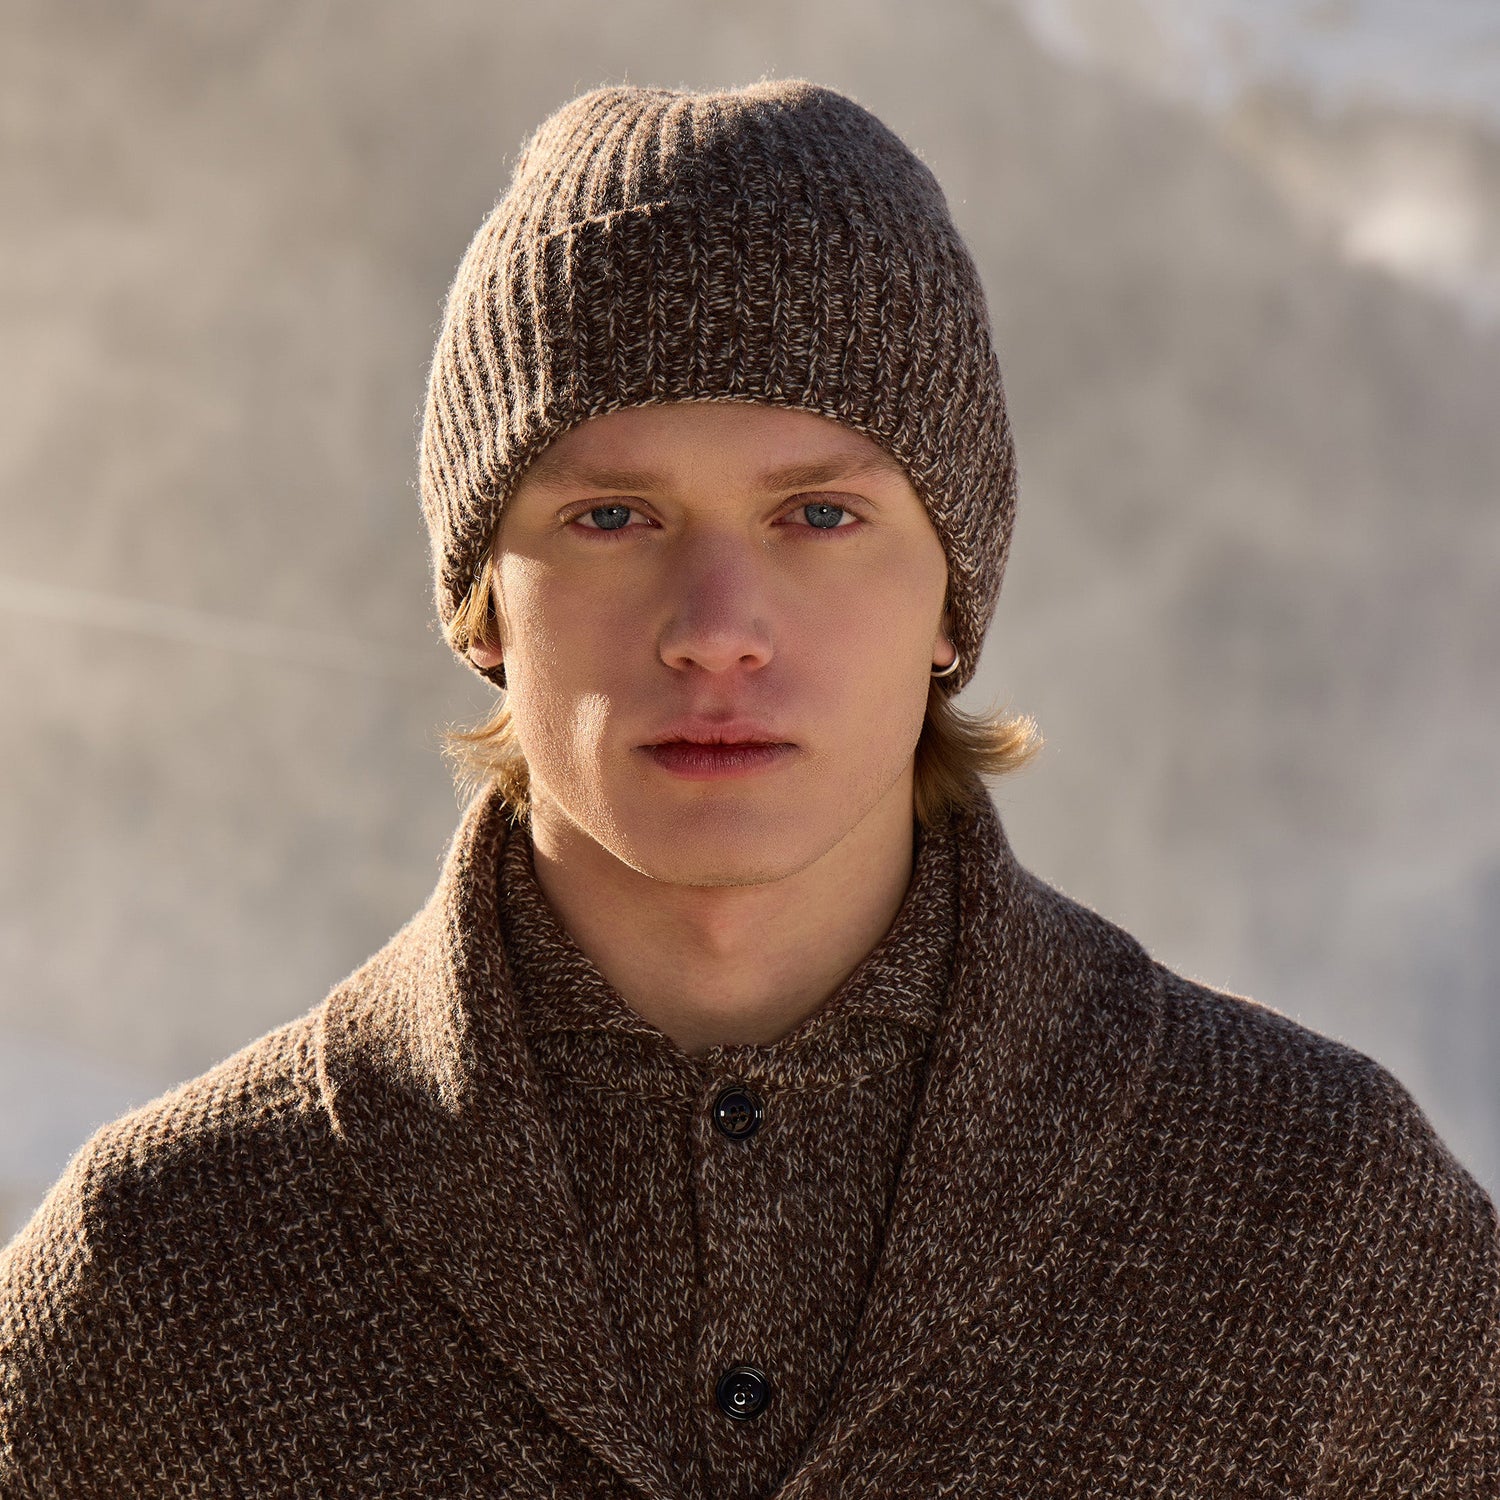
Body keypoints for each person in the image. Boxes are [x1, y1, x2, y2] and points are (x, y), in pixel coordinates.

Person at [2, 79, 1495, 1500]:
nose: (716, 621)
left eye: (820, 513)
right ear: (478, 609)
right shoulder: (164, 1277)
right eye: (610, 514)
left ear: (954, 605)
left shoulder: (1320, 1220)